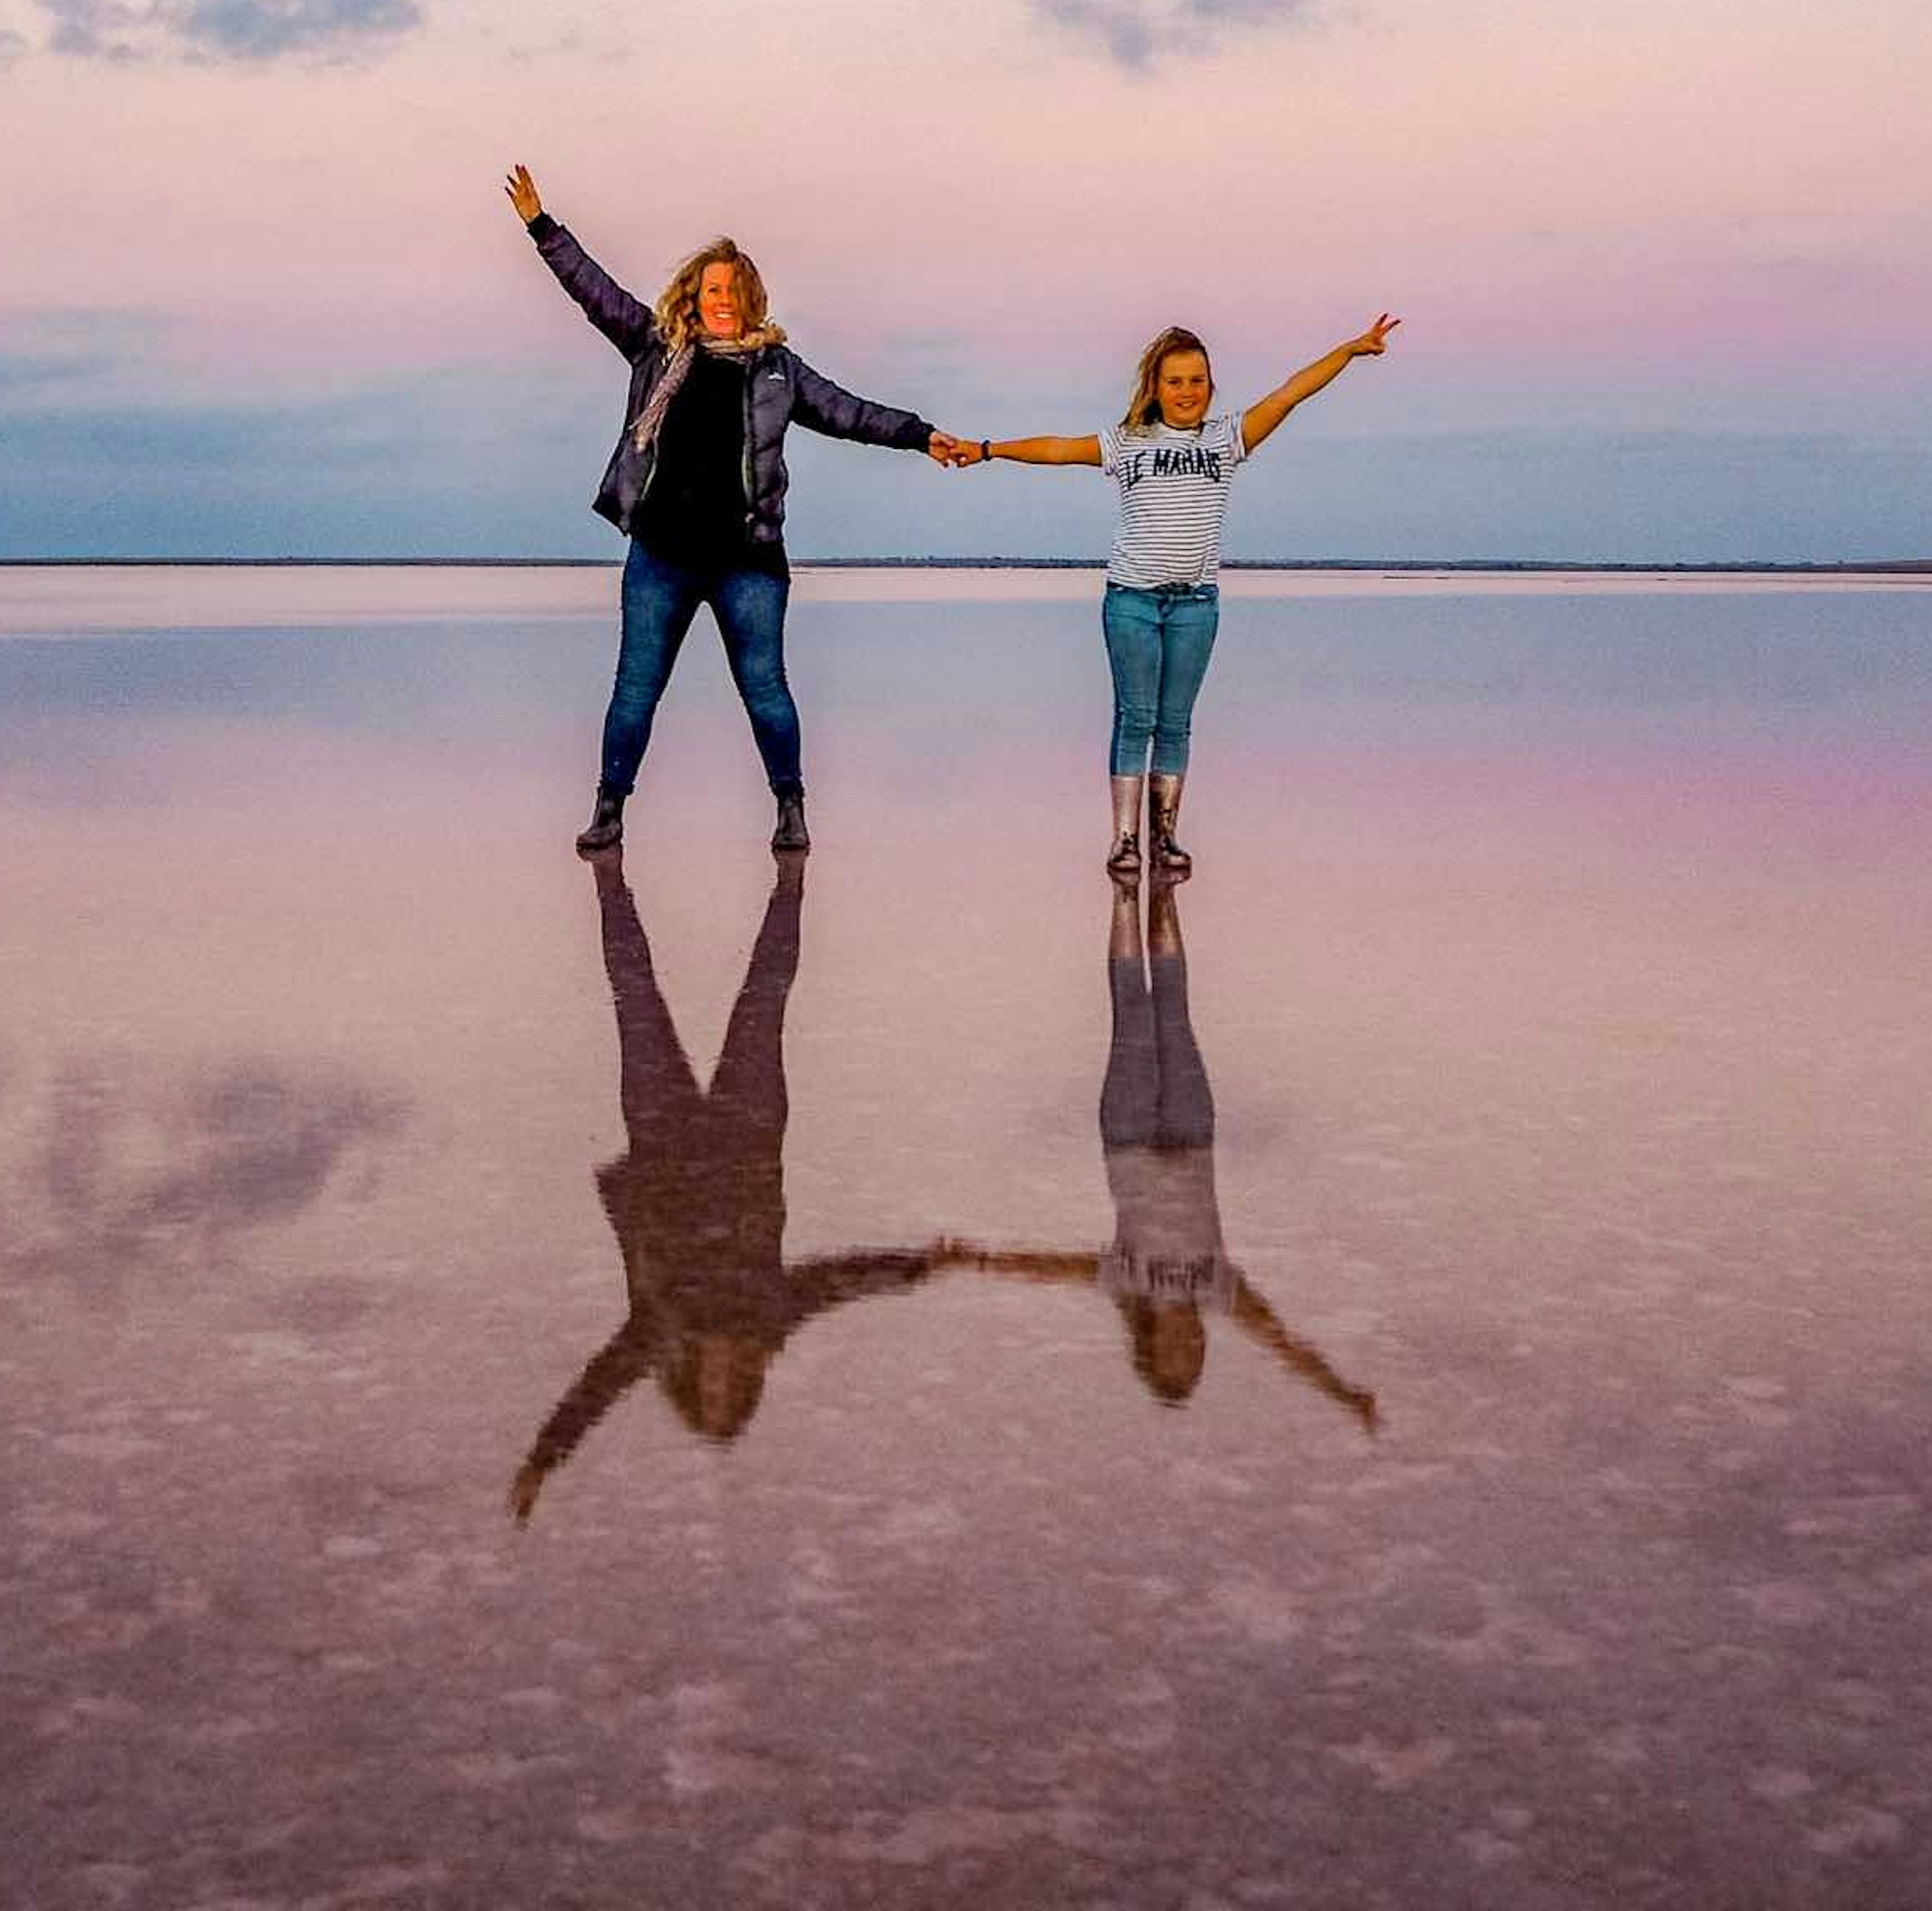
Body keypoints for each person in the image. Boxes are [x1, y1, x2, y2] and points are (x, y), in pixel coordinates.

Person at [508, 162, 964, 855]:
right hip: (660, 557)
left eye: (735, 289)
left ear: (751, 298)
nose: (724, 298)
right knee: (636, 691)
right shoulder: (655, 348)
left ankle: (790, 805)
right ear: (694, 294)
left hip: (748, 561)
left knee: (765, 690)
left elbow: (848, 411)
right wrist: (544, 228)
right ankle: (609, 809)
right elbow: (593, 293)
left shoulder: (778, 369)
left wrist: (919, 433)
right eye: (713, 288)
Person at [509, 854, 949, 1523]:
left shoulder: (660, 1333)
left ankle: (609, 879)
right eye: (728, 1392)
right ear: (747, 1385)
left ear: (688, 1387)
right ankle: (791, 885)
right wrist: (914, 1267)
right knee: (766, 997)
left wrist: (545, 1457)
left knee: (633, 991)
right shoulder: (766, 1318)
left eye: (707, 1393)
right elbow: (834, 1284)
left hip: (662, 1141)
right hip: (747, 1136)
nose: (717, 1380)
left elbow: (598, 1386)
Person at [949, 308, 1398, 876]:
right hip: (1132, 601)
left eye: (1197, 380)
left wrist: (1351, 350)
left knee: (1176, 721)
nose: (1187, 391)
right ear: (1155, 388)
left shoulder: (1227, 438)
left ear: (1210, 386)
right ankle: (1125, 840)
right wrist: (986, 448)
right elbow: (1059, 448)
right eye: (1175, 381)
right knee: (1135, 718)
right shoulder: (1129, 442)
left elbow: (1289, 395)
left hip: (1195, 604)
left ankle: (1166, 837)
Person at [936, 882, 1378, 1425]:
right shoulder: (1220, 1289)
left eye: (1176, 1358)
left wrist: (979, 1258)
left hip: (1128, 1135)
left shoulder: (1126, 1283)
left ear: (1148, 1348)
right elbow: (1282, 1342)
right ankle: (1165, 887)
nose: (1188, 1349)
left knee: (1132, 1012)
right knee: (1173, 1011)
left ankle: (1124, 891)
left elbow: (1051, 1266)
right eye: (1193, 1360)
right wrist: (1341, 1392)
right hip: (1192, 1134)